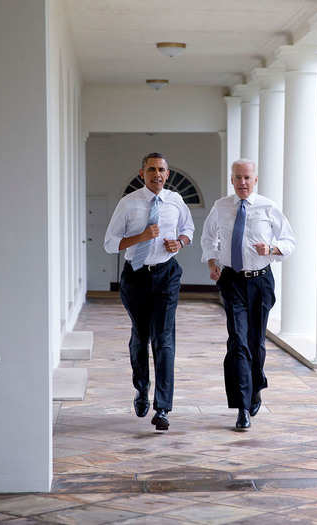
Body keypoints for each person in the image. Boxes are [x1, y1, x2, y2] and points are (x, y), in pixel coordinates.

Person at [201, 159, 296, 431]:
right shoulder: (221, 207)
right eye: (238, 177)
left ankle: (256, 387)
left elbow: (290, 241)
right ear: (232, 180)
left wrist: (272, 249)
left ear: (255, 180)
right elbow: (208, 238)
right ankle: (242, 406)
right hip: (231, 280)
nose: (242, 182)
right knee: (238, 342)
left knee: (256, 344)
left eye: (247, 178)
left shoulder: (268, 207)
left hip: (260, 281)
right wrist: (212, 262)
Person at [104, 152, 194, 431]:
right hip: (136, 277)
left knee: (164, 339)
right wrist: (141, 237)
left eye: (162, 170)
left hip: (166, 274)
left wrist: (179, 242)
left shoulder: (176, 201)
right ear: (142, 173)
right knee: (141, 338)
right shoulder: (128, 204)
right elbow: (110, 243)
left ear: (167, 174)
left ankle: (163, 407)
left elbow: (188, 228)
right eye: (152, 169)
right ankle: (141, 389)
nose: (157, 174)